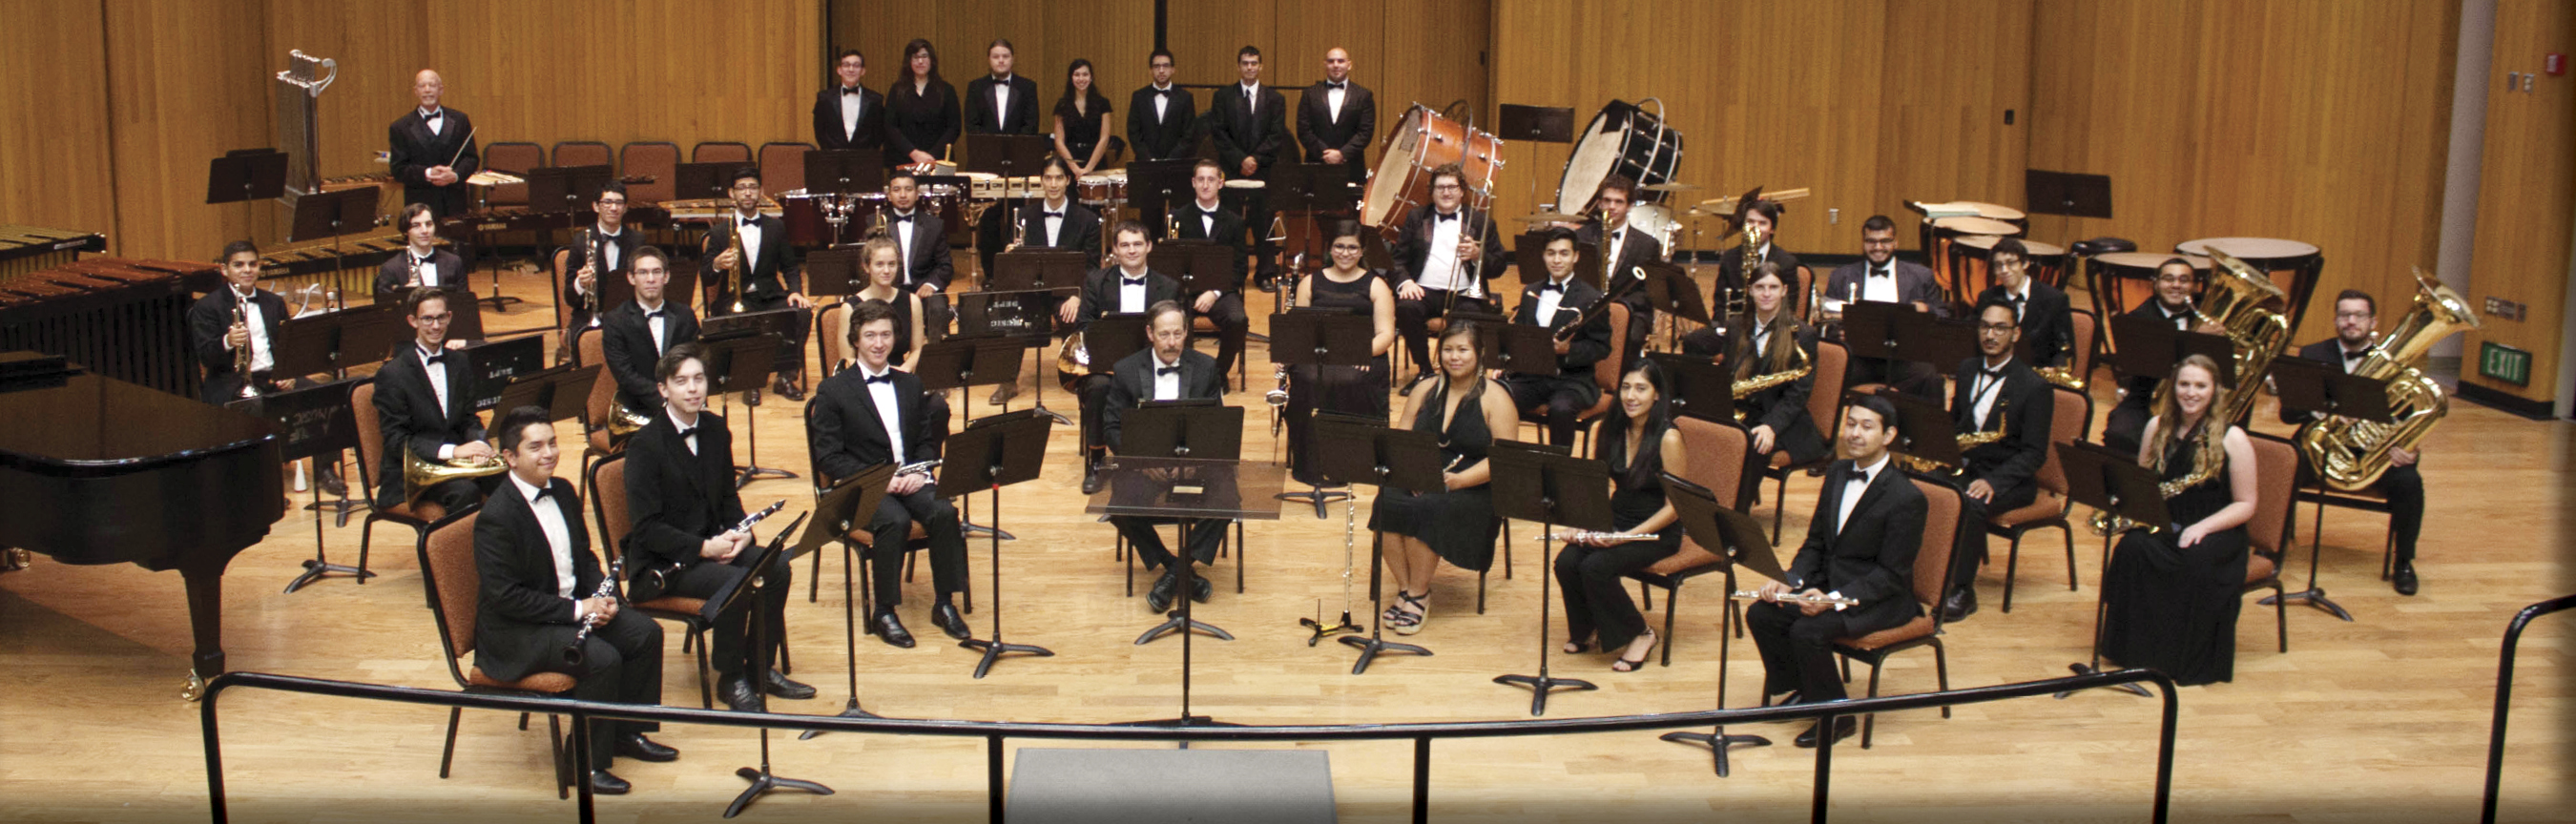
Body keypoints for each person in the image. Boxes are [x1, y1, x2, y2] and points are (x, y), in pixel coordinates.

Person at [473, 405, 673, 795]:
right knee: (602, 659)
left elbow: (584, 558)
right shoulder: (496, 517)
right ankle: (581, 764)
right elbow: (505, 597)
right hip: (518, 630)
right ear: (510, 458)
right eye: (535, 447)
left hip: (566, 610)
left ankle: (624, 733)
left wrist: (607, 596)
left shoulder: (562, 490)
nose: (549, 453)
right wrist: (579, 609)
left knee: (644, 634)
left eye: (552, 443)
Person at [622, 343, 814, 712]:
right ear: (663, 389)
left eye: (698, 379)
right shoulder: (644, 447)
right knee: (736, 582)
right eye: (681, 382)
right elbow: (647, 529)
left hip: (715, 547)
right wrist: (702, 548)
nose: (693, 388)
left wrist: (741, 532)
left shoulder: (714, 429)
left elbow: (727, 497)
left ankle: (759, 667)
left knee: (775, 567)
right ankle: (730, 677)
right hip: (665, 564)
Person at [1750, 395, 1926, 748]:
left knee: (1807, 630)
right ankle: (1806, 689)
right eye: (1850, 424)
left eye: (1867, 426)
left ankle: (1838, 715)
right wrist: (1791, 581)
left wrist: (1833, 600)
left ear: (1888, 435)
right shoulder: (1837, 472)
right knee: (1762, 613)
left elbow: (1891, 576)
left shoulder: (1906, 498)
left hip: (1879, 598)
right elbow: (1815, 542)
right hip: (1831, 584)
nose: (1855, 434)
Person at [807, 301, 974, 647]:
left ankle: (944, 603)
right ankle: (884, 611)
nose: (878, 343)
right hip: (862, 486)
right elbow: (829, 458)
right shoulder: (833, 390)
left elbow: (927, 442)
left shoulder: (910, 385)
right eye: (870, 335)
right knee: (894, 521)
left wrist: (923, 470)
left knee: (945, 511)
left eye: (885, 335)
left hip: (910, 478)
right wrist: (882, 479)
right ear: (856, 339)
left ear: (895, 339)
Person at [2100, 354, 2258, 686]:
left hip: (2217, 529)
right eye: (2184, 384)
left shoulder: (2233, 439)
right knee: (2132, 549)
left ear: (2215, 391)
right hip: (2167, 521)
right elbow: (2142, 484)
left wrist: (2203, 527)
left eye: (2200, 385)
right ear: (2172, 388)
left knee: (2194, 561)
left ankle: (2178, 660)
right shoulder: (2156, 428)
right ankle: (2135, 653)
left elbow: (2246, 504)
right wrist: (2123, 500)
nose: (2191, 392)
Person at [1369, 321, 1520, 635]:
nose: (1454, 357)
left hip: (1475, 485)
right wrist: (1409, 470)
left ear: (1479, 354)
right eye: (1448, 350)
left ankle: (1419, 594)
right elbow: (1402, 437)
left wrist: (1457, 481)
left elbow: (1504, 460)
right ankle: (1408, 588)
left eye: (1463, 350)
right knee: (1387, 502)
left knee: (1428, 509)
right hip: (1422, 474)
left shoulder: (1497, 398)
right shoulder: (1425, 389)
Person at [2280, 289, 2426, 595]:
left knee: (2409, 483)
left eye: (2358, 315)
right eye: (2345, 315)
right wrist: (2320, 411)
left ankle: (2403, 562)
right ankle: (2273, 547)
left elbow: (2409, 421)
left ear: (2373, 322)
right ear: (2335, 320)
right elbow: (2288, 414)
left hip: (2371, 452)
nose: (2351, 321)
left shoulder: (2396, 364)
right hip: (2319, 446)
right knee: (2280, 466)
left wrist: (2409, 450)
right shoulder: (2313, 354)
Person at [1101, 301, 1231, 612]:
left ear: (1186, 333)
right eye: (1164, 334)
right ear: (1150, 334)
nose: (1171, 342)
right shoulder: (1126, 370)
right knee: (1118, 505)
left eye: (1177, 334)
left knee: (1229, 497)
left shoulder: (1206, 368)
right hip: (1145, 465)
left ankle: (1173, 574)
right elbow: (1112, 428)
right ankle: (1175, 566)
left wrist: (1194, 464)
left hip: (1194, 465)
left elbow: (1218, 427)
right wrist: (1145, 463)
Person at [1557, 360, 1687, 671]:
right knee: (1567, 561)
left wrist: (1624, 538)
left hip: (1656, 530)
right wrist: (1582, 525)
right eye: (1626, 387)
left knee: (1596, 567)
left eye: (1641, 389)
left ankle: (1641, 633)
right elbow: (1595, 488)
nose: (1631, 396)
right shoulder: (1607, 429)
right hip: (1615, 518)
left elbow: (1676, 507)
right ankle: (1587, 627)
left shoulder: (1669, 438)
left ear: (1657, 395)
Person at [1942, 297, 2055, 622]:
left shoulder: (2035, 387)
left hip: (2010, 479)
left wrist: (1993, 482)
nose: (1990, 335)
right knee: (1920, 487)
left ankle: (1963, 590)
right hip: (1968, 465)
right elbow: (1957, 423)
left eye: (2000, 328)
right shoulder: (1966, 369)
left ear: (2016, 334)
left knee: (1971, 502)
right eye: (1985, 326)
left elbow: (2035, 453)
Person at [1064, 222, 1181, 493]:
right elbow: (1083, 326)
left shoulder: (1168, 287)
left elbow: (1179, 331)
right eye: (1125, 245)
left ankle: (1162, 457)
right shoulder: (1096, 281)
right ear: (1115, 249)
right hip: (1109, 365)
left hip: (1155, 362)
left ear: (1149, 247)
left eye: (1138, 244)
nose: (1131, 251)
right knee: (1097, 388)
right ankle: (1097, 460)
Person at [1285, 220, 1395, 486]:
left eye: (1352, 248)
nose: (1345, 253)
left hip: (1361, 355)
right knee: (1309, 379)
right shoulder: (1309, 283)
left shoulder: (1376, 285)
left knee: (1350, 380)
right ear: (1330, 249)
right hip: (1318, 355)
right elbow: (1301, 331)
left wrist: (1359, 353)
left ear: (1362, 251)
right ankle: (1311, 461)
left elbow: (1385, 334)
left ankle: (1353, 460)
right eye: (1339, 246)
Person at [371, 288, 493, 513]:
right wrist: (453, 452)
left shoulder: (460, 363)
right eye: (427, 319)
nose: (435, 326)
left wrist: (479, 444)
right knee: (466, 492)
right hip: (410, 475)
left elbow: (469, 419)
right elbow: (397, 440)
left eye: (440, 318)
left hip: (453, 466)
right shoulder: (393, 374)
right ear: (412, 321)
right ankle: (457, 548)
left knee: (509, 478)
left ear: (449, 317)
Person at [700, 166, 813, 402]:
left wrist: (796, 292)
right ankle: (749, 380)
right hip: (734, 299)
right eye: (742, 188)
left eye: (752, 187)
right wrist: (717, 264)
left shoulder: (776, 227)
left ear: (761, 191)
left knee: (800, 313)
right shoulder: (720, 233)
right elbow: (706, 276)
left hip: (769, 295)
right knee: (743, 321)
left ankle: (785, 376)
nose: (748, 193)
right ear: (732, 194)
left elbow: (790, 267)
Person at [1390, 163, 1506, 383]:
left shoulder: (1481, 222)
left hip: (1464, 293)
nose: (1446, 192)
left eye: (1452, 187)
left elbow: (1498, 267)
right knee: (1406, 308)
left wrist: (1477, 255)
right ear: (1432, 192)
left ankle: (1457, 376)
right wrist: (1405, 282)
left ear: (1462, 191)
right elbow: (1397, 260)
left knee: (1471, 319)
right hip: (1423, 291)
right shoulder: (1416, 217)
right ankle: (1425, 370)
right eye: (1440, 187)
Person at [1498, 227, 1611, 446]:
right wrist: (1504, 361)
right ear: (1543, 256)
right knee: (1496, 395)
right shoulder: (1530, 292)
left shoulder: (1592, 298)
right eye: (1551, 253)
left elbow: (1601, 347)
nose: (1557, 260)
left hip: (1572, 380)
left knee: (1560, 409)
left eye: (1564, 253)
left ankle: (1557, 471)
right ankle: (1502, 460)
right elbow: (1519, 334)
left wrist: (1568, 350)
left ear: (1576, 256)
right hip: (1533, 377)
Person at [1726, 262, 1826, 508]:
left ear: (1784, 291)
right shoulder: (1735, 327)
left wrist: (1771, 426)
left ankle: (1736, 514)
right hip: (1744, 410)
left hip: (1785, 420)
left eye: (1773, 287)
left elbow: (1798, 394)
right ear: (1750, 291)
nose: (1766, 293)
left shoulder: (1802, 334)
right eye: (1760, 287)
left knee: (1754, 443)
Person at [1821, 215, 1945, 400]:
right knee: (1825, 374)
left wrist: (1926, 310)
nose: (1878, 247)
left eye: (1884, 241)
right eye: (1871, 241)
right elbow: (1826, 323)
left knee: (1930, 378)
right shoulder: (1841, 276)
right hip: (1859, 358)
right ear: (1863, 243)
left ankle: (1925, 426)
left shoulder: (1921, 275)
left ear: (1895, 242)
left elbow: (1943, 316)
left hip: (1904, 359)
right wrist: (1838, 334)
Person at [2105, 258, 2203, 456]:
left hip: (2199, 402)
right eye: (2169, 279)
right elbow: (2142, 370)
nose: (2176, 285)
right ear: (2156, 283)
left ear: (2193, 286)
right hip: (2146, 396)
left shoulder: (2207, 315)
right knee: (2120, 434)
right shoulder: (2137, 320)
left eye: (2184, 280)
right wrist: (2197, 339)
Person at [1166, 159, 1253, 381]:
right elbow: (1169, 264)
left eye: (1211, 180)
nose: (1206, 185)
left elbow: (1240, 267)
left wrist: (1214, 292)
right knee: (1166, 320)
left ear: (1220, 184)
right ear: (1193, 183)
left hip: (1220, 291)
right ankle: (1181, 374)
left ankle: (1217, 374)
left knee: (1237, 319)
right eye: (1201, 180)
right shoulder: (1177, 217)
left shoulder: (1234, 222)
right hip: (1185, 290)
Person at [1210, 45, 1288, 289]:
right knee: (1230, 223)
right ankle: (1231, 275)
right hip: (1232, 170)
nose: (1250, 67)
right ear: (1238, 66)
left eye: (1254, 63)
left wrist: (1254, 159)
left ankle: (1264, 274)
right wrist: (1240, 160)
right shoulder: (1222, 97)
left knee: (1263, 222)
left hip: (1263, 171)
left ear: (1260, 66)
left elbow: (1277, 136)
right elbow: (1218, 133)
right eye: (1245, 63)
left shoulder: (1275, 99)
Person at [1680, 198, 1798, 359]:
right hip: (1733, 328)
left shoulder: (1786, 262)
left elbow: (1789, 307)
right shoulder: (1730, 258)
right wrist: (1731, 329)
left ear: (1772, 229)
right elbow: (1720, 304)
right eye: (1750, 222)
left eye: (1762, 223)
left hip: (1771, 331)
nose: (1755, 228)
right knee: (1692, 341)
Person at [600, 247, 700, 417]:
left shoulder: (685, 315)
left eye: (656, 272)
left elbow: (695, 361)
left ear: (666, 277)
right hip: (637, 408)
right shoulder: (615, 320)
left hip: (683, 404)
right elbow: (625, 375)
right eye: (643, 273)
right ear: (631, 278)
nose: (651, 279)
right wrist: (667, 402)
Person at [1574, 175, 1662, 369]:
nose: (1611, 207)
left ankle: (1621, 384)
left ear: (1630, 205)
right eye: (1607, 201)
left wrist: (1616, 306)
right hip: (1587, 307)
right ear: (1598, 203)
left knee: (1629, 336)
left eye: (1619, 202)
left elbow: (1648, 293)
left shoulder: (1647, 245)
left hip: (1629, 311)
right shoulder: (1582, 237)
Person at [189, 240, 291, 404]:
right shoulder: (207, 306)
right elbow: (206, 357)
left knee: (323, 395)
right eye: (238, 265)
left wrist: (289, 373)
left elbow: (288, 345)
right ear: (224, 269)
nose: (247, 270)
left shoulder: (274, 302)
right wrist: (228, 341)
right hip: (230, 382)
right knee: (255, 407)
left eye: (252, 264)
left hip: (273, 378)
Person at [1972, 237, 2076, 370]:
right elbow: (1973, 340)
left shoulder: (2055, 299)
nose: (2004, 270)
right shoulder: (1987, 297)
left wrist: (2054, 369)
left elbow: (2065, 348)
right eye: (1998, 265)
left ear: (2025, 263)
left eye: (2011, 263)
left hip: (2035, 376)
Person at [388, 70, 479, 218]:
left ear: (441, 89)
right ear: (416, 91)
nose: (427, 90)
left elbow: (471, 158)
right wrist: (428, 173)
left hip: (455, 203)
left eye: (432, 85)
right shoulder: (400, 127)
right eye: (422, 86)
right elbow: (398, 169)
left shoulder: (460, 120)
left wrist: (455, 175)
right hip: (420, 207)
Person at [562, 182, 640, 333]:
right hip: (588, 316)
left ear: (625, 208)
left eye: (619, 203)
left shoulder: (637, 241)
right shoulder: (580, 242)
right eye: (607, 202)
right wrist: (581, 283)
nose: (613, 208)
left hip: (628, 315)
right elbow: (569, 297)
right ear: (596, 206)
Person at [1295, 48, 1375, 188]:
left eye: (1341, 61)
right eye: (1331, 61)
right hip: (1316, 166)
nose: (1336, 65)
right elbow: (1303, 130)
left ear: (1349, 65)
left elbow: (1365, 132)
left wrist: (1342, 154)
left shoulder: (1364, 95)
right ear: (1325, 64)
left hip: (1351, 168)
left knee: (1350, 209)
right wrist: (1325, 153)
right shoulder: (1309, 94)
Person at [885, 39, 961, 169]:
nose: (920, 61)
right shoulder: (897, 90)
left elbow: (954, 127)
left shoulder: (946, 90)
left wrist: (930, 156)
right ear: (909, 61)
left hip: (938, 160)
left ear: (932, 60)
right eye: (915, 57)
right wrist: (913, 153)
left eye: (924, 56)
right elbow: (890, 126)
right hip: (905, 159)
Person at [813, 49, 888, 160]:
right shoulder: (825, 98)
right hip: (832, 159)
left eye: (856, 65)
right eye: (846, 65)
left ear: (863, 71)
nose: (851, 69)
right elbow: (820, 130)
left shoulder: (875, 100)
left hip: (865, 160)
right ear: (839, 70)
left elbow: (879, 133)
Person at [1127, 50, 1195, 163]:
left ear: (1173, 69)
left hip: (1176, 163)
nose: (1161, 71)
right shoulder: (1139, 97)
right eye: (1157, 66)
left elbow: (1189, 134)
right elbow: (1133, 132)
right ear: (1150, 70)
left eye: (1166, 66)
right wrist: (1148, 158)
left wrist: (1171, 159)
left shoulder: (1185, 97)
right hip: (1145, 162)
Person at [965, 39, 1041, 136]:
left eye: (1005, 56)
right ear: (988, 59)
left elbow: (1031, 124)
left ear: (1013, 59)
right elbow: (972, 125)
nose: (1001, 60)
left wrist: (1014, 145)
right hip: (985, 149)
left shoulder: (1027, 87)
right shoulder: (976, 87)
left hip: (1019, 148)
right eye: (996, 57)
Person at [1051, 59, 1112, 176]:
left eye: (1085, 74)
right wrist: (1075, 169)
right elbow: (1059, 141)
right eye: (1077, 75)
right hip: (1070, 161)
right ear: (1071, 78)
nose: (1081, 79)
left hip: (1095, 161)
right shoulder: (1062, 105)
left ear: (1091, 77)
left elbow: (1104, 138)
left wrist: (1088, 168)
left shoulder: (1103, 103)